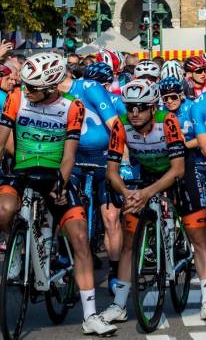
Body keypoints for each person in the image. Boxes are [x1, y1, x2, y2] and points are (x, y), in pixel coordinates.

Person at [0, 53, 117, 336]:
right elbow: (1, 140)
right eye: (25, 84)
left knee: (78, 237)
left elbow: (69, 155)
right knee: (3, 209)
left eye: (33, 87)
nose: (26, 90)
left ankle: (90, 315)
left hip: (55, 174)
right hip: (22, 170)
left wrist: (61, 185)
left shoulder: (72, 107)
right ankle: (16, 252)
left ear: (52, 86)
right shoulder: (17, 98)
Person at [100, 79, 206, 326]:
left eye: (141, 107)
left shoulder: (167, 121)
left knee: (197, 235)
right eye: (130, 107)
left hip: (178, 173)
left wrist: (147, 193)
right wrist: (128, 194)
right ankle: (119, 305)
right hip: (147, 173)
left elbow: (178, 170)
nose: (134, 113)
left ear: (152, 106)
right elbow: (112, 172)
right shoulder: (121, 126)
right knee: (128, 240)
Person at [68, 61, 127, 295]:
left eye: (104, 83)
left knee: (111, 217)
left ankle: (115, 271)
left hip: (104, 160)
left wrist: (124, 160)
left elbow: (124, 127)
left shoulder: (114, 100)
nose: (100, 87)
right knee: (68, 210)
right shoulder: (73, 92)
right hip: (76, 158)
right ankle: (65, 257)